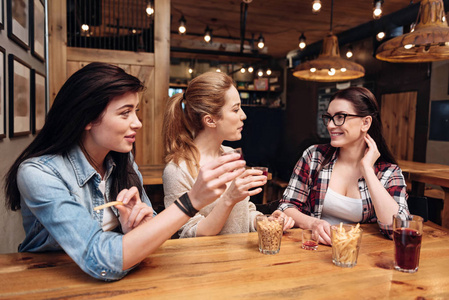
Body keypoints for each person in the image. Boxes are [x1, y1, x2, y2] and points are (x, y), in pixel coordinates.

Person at [4, 62, 247, 281]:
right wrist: (190, 202)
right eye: (125, 113)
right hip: (52, 284)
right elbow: (99, 258)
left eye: (136, 111)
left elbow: (152, 235)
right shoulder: (38, 174)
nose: (137, 123)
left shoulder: (122, 159)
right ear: (87, 119)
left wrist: (135, 228)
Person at [162, 71, 294, 238]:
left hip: (241, 259)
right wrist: (229, 199)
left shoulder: (231, 154)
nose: (244, 115)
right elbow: (190, 234)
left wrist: (264, 220)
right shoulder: (177, 170)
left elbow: (243, 214)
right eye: (235, 109)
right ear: (210, 120)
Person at [278, 87, 408, 245]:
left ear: (365, 122)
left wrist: (367, 170)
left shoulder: (389, 172)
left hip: (362, 255)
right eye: (329, 117)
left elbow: (397, 230)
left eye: (340, 117)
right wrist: (313, 224)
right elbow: (287, 206)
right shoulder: (314, 157)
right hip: (313, 250)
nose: (330, 125)